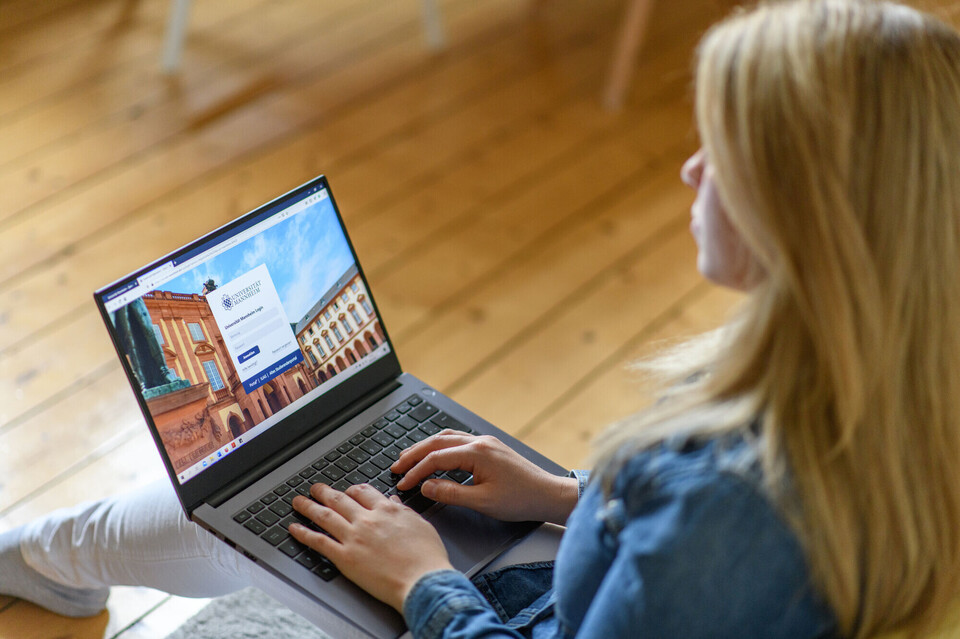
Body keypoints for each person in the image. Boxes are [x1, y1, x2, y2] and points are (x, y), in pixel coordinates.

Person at [4, 0, 960, 636]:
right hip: (568, 580)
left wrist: (426, 585)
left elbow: (702, 550)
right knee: (299, 491)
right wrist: (562, 494)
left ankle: (38, 554)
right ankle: (49, 552)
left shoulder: (728, 512)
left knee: (245, 507)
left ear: (806, 216)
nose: (691, 171)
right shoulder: (896, 395)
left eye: (722, 153)